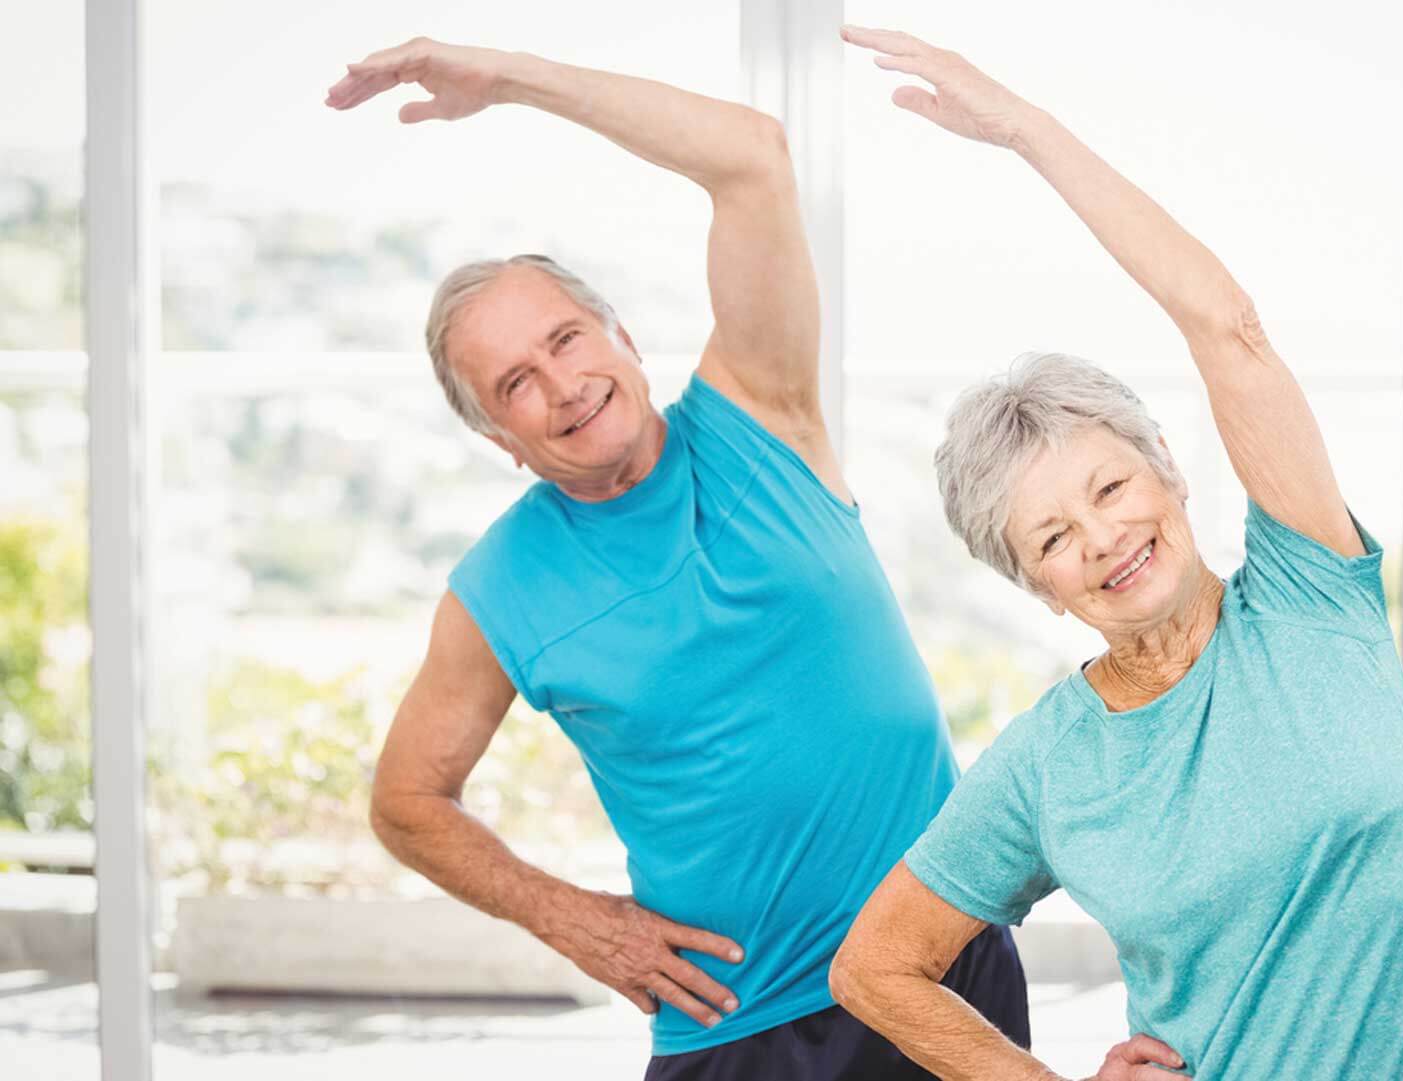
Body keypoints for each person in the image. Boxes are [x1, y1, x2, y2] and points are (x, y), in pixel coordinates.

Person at [322, 35, 1104, 1080]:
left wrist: (508, 80)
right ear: (499, 441)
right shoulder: (500, 590)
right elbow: (407, 801)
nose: (558, 385)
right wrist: (579, 922)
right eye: (513, 384)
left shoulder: (762, 412)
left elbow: (750, 155)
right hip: (743, 1025)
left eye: (565, 339)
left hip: (935, 967)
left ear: (625, 337)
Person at [828, 26, 1403, 1081]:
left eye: (1110, 486)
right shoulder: (1050, 766)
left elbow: (1228, 326)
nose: (1104, 536)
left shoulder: (1309, 595)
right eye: (1054, 538)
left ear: (1169, 469)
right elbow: (875, 968)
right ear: (1040, 589)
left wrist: (1024, 132)